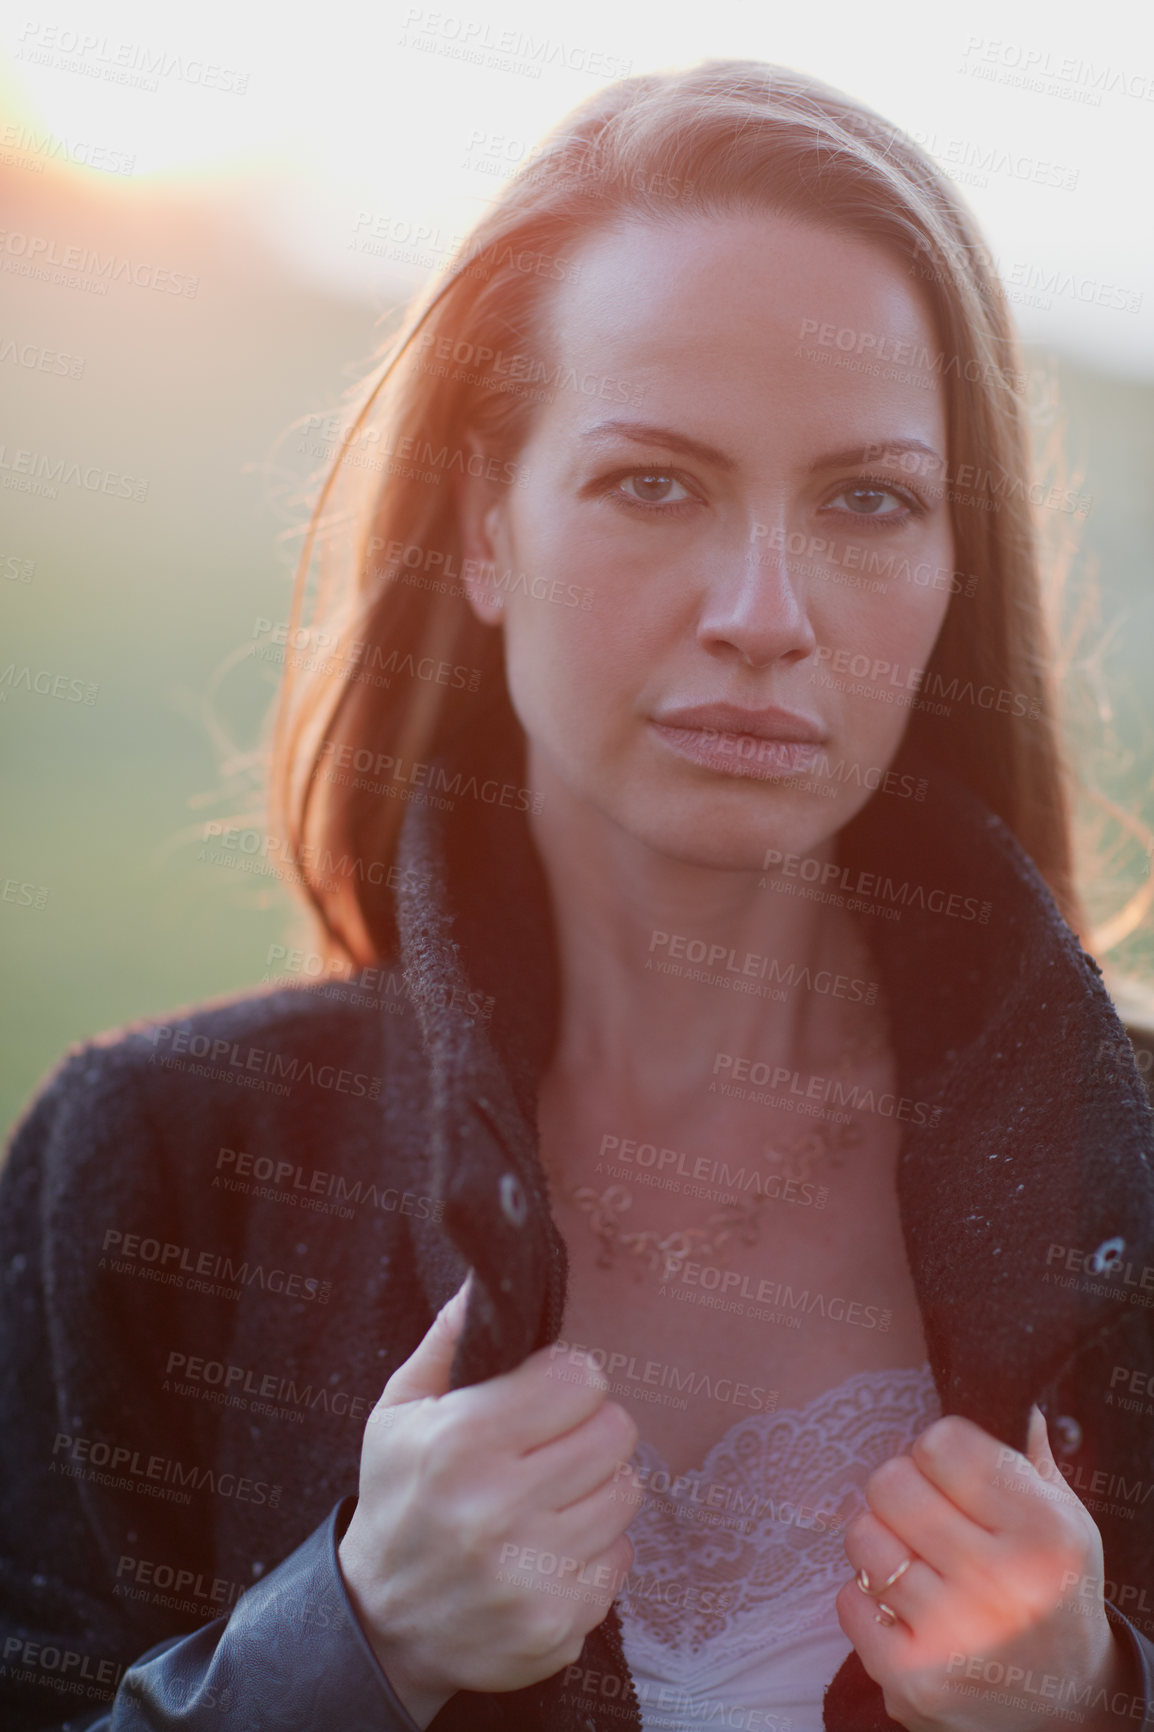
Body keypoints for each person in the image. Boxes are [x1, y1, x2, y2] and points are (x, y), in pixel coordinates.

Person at [2, 57, 1152, 1732]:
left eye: (864, 499)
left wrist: (1095, 1697)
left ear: (948, 559)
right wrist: (346, 1640)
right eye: (654, 482)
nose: (764, 609)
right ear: (484, 524)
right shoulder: (154, 1176)